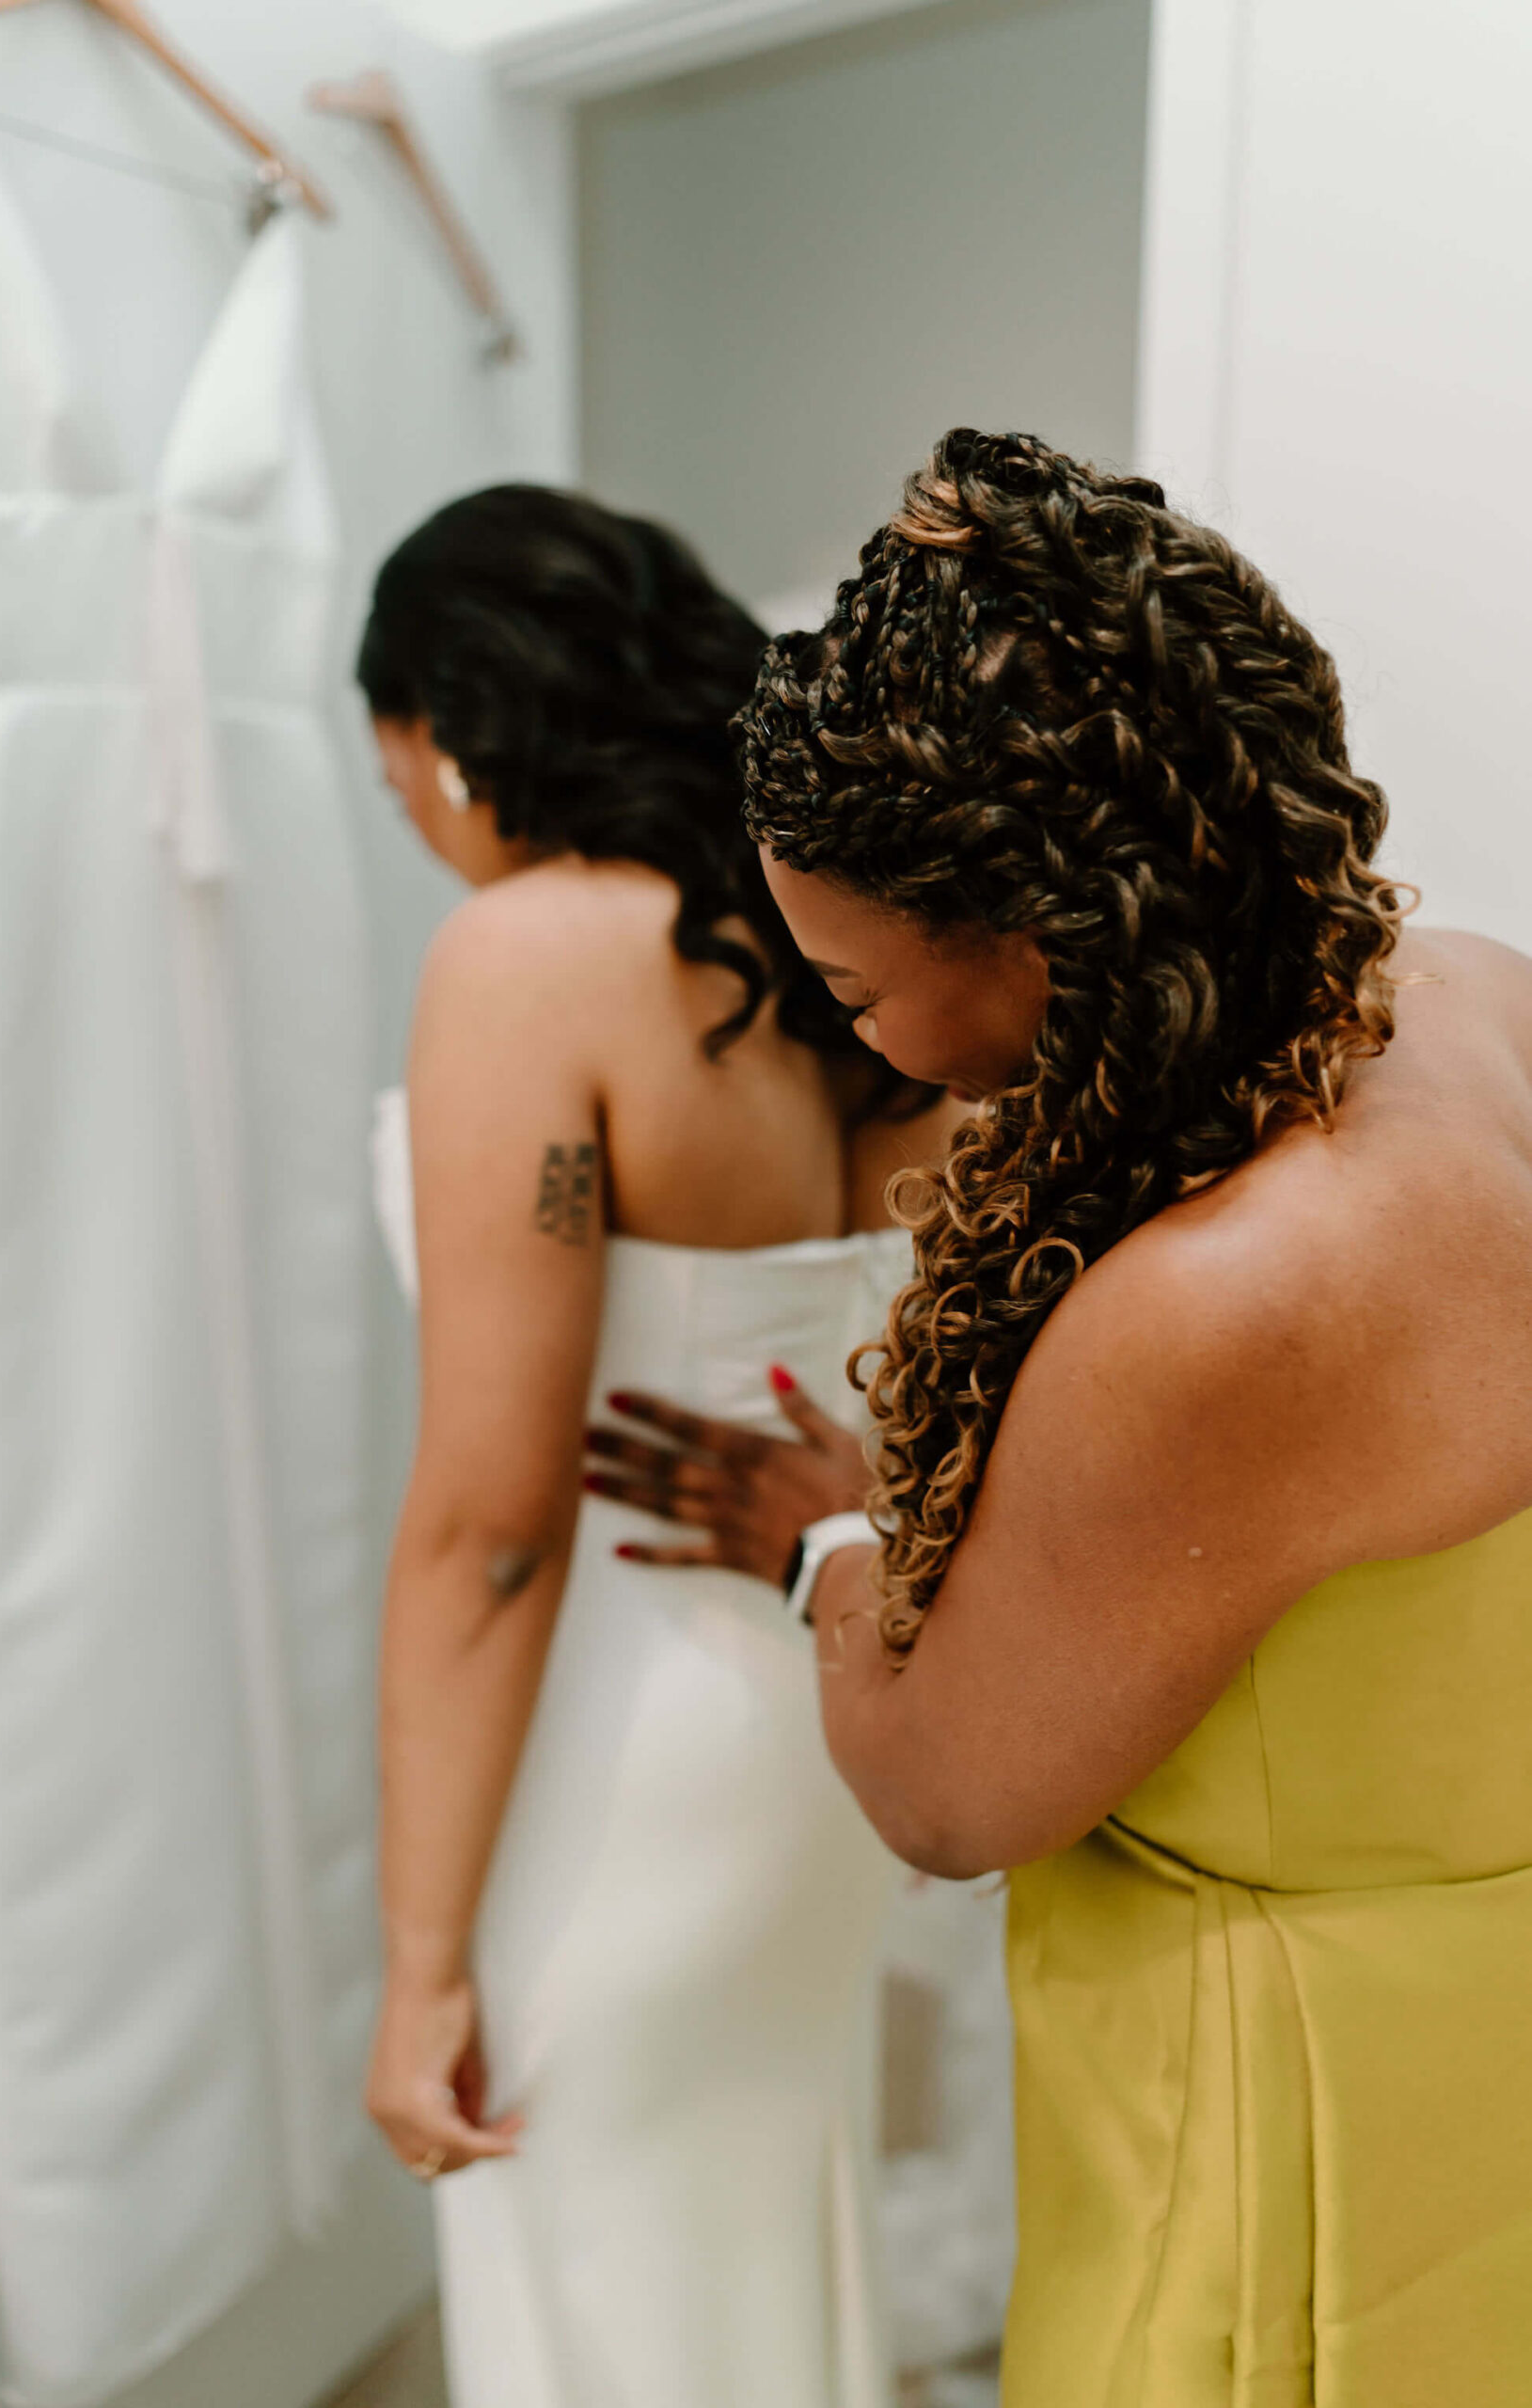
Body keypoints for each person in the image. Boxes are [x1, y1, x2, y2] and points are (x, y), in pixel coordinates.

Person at [594, 429, 1532, 2407]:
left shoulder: (1221, 1302)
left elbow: (949, 1795)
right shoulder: (1472, 995)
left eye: (850, 985)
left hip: (1292, 2122)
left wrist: (830, 1541)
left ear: (1041, 934)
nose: (848, 1031)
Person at [355, 485, 957, 2408]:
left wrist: (418, 1953)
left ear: (443, 731)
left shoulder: (529, 953)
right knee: (746, 2251)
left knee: (598, 2283)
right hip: (798, 1707)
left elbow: (494, 1518)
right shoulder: (825, 944)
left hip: (616, 1741)